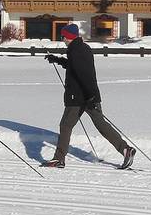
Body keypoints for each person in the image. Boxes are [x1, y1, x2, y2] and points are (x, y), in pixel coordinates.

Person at [42, 23, 136, 169]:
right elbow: (75, 67)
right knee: (101, 125)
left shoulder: (76, 50)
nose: (63, 39)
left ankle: (59, 159)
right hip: (87, 95)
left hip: (79, 97)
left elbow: (85, 75)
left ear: (69, 36)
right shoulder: (80, 48)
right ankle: (125, 149)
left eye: (63, 36)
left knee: (65, 125)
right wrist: (58, 60)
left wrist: (90, 97)